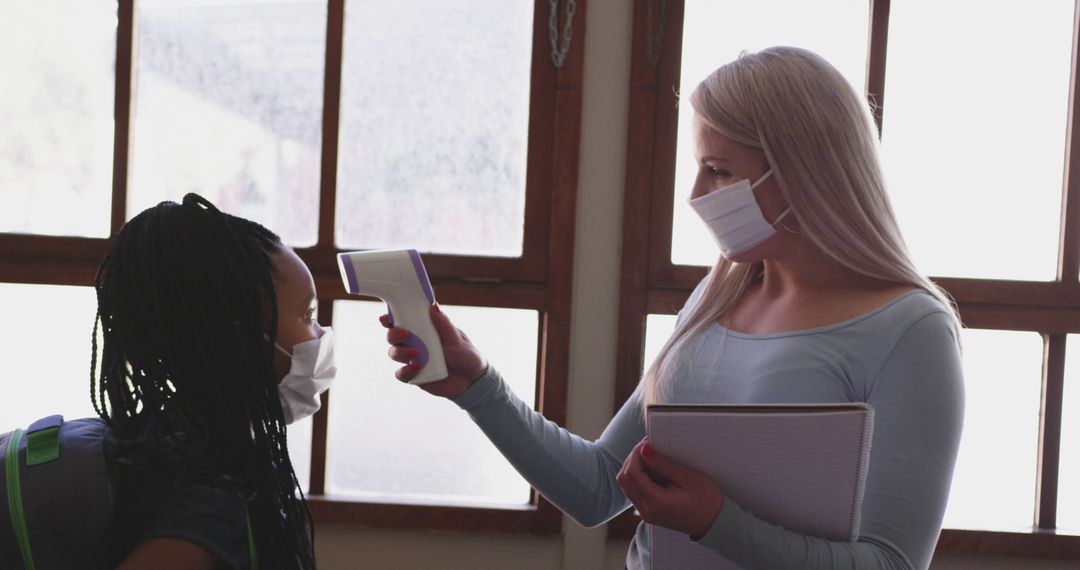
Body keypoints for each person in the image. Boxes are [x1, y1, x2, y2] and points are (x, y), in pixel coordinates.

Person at [383, 46, 964, 569]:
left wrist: (717, 525)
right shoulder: (716, 301)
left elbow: (892, 564)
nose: (694, 195)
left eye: (718, 171)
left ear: (803, 173)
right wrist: (477, 385)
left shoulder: (910, 330)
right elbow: (598, 489)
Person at [88, 193, 333, 569]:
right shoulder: (212, 496)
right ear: (241, 334)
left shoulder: (176, 440)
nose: (320, 334)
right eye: (308, 313)